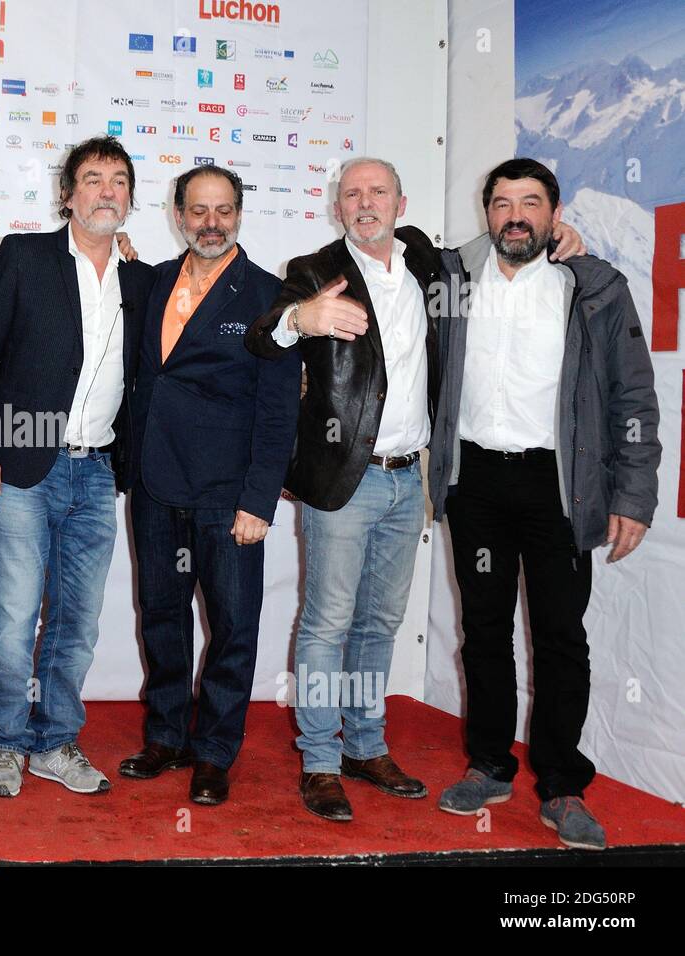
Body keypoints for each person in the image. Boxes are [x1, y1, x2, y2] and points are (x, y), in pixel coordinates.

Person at [246, 158, 585, 823]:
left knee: (379, 623)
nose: (365, 203)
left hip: (412, 481)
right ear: (336, 206)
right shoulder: (312, 270)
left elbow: (514, 237)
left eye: (378, 192)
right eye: (353, 194)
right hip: (345, 479)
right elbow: (265, 338)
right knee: (326, 622)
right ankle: (319, 757)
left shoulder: (433, 264)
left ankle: (364, 745)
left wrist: (566, 238)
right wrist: (302, 318)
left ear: (401, 203)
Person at [429, 158, 660, 851]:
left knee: (561, 638)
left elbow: (633, 398)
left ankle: (561, 785)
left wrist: (636, 495)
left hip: (560, 488)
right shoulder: (450, 279)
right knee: (486, 629)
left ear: (556, 214)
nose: (516, 216)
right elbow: (377, 248)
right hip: (476, 484)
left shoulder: (594, 287)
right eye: (502, 203)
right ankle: (490, 764)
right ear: (486, 212)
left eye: (531, 202)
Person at [0, 135, 155, 797]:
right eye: (93, 179)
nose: (107, 191)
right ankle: (8, 744)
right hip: (18, 465)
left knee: (79, 620)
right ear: (67, 194)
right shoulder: (23, 256)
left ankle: (55, 740)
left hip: (96, 472)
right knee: (13, 617)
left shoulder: (142, 279)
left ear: (129, 198)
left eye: (119, 181)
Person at [119, 165, 300, 805]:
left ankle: (215, 751)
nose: (211, 223)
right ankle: (167, 735)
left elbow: (280, 410)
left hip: (229, 498)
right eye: (198, 211)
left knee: (232, 625)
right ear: (178, 215)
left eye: (223, 210)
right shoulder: (153, 283)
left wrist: (259, 499)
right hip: (155, 485)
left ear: (240, 214)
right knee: (163, 618)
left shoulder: (270, 299)